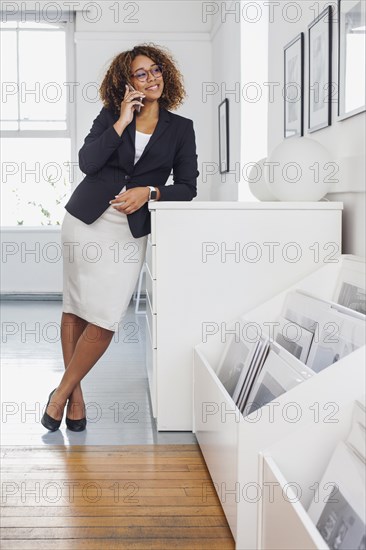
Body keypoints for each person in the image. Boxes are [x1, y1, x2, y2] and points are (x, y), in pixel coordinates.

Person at [41, 43, 199, 432]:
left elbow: (188, 186)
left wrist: (150, 192)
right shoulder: (112, 116)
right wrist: (122, 121)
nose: (152, 78)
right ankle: (76, 397)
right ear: (126, 83)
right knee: (76, 307)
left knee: (106, 317)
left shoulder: (181, 129)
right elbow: (88, 163)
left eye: (156, 70)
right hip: (86, 222)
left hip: (129, 232)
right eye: (141, 73)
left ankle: (59, 393)